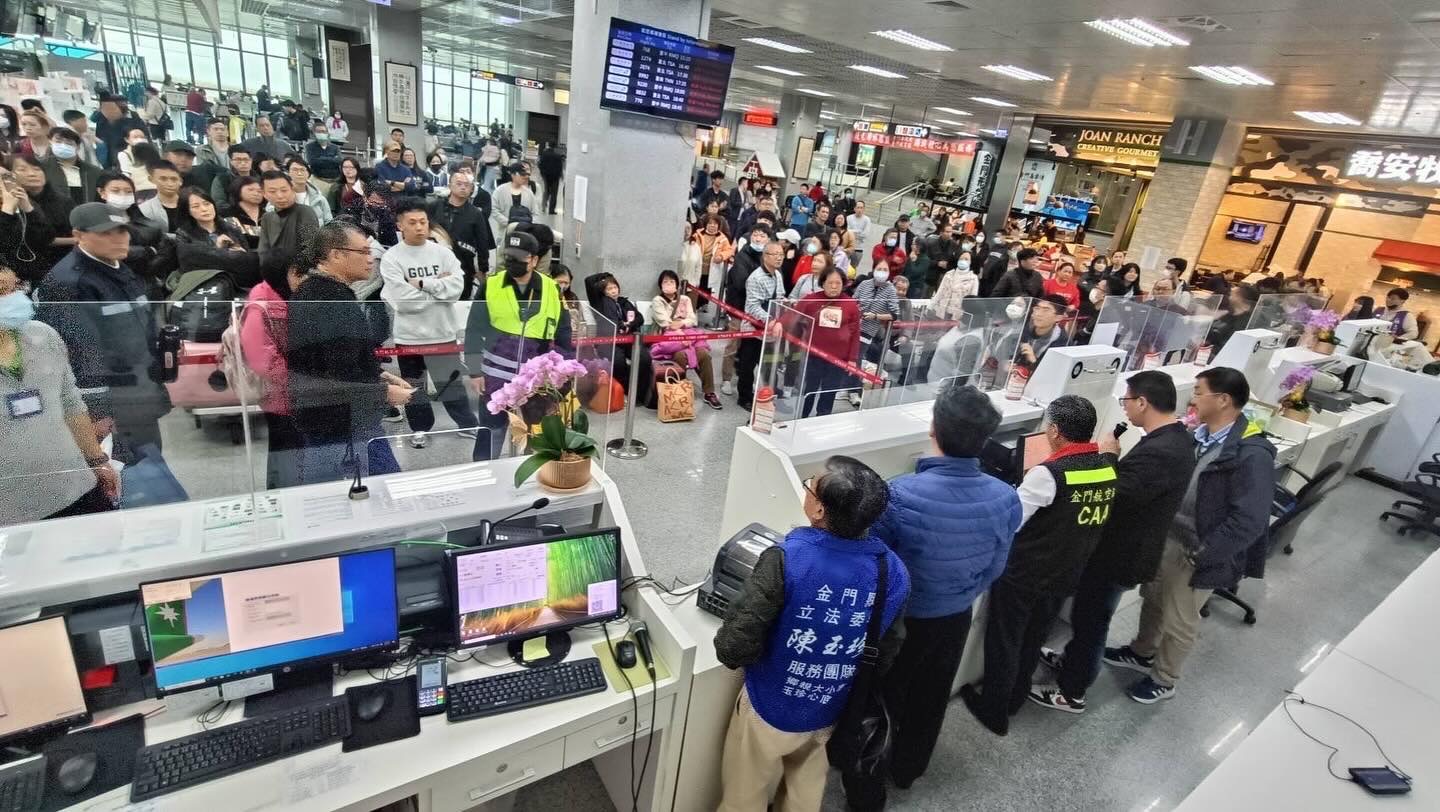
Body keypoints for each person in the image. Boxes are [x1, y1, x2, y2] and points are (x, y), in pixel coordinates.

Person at [714, 455, 910, 812]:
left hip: (770, 707)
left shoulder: (789, 557)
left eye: (810, 485)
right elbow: (889, 648)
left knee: (745, 796)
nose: (806, 488)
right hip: (832, 710)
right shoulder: (892, 570)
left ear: (819, 510)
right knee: (805, 797)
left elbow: (732, 647)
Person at [862, 382, 1020, 802]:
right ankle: (909, 769)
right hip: (955, 617)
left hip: (902, 622)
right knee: (932, 697)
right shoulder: (1006, 498)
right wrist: (962, 592)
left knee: (882, 699)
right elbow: (996, 565)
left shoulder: (898, 493)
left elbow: (873, 565)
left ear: (933, 428)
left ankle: (869, 784)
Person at [1031, 372, 1197, 713]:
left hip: (1121, 554)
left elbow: (1118, 494)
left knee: (1092, 620)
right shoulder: (1174, 439)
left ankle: (1072, 691)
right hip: (1131, 548)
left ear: (1142, 402)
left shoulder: (1162, 450)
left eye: (1126, 401)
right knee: (1089, 617)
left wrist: (1108, 457)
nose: (1124, 409)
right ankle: (1072, 662)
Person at [1114, 367, 1276, 704]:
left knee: (1180, 619)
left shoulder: (1251, 454)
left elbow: (1250, 519)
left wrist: (1205, 554)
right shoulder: (1198, 437)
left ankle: (1164, 678)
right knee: (1155, 598)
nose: (1193, 398)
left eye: (1200, 392)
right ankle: (1142, 651)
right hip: (1169, 536)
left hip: (1198, 550)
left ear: (1223, 399)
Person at [961, 395, 1115, 736]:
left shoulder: (1049, 473)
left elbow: (1011, 521)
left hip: (1025, 573)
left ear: (1056, 431)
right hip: (1066, 571)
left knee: (1005, 639)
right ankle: (1015, 697)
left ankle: (994, 710)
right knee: (1033, 638)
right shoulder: (1105, 464)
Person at [35, 203, 172, 463]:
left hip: (140, 391)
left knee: (151, 467)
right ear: (79, 235)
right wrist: (97, 413)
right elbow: (78, 355)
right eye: (106, 233)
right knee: (124, 475)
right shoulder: (68, 283)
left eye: (122, 231)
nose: (119, 239)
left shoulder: (121, 267)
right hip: (112, 405)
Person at [286, 220, 411, 482]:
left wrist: (380, 375)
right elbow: (336, 372)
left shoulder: (319, 292)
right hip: (340, 419)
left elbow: (341, 355)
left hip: (336, 413)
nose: (371, 259)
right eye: (364, 252)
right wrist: (384, 392)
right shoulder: (330, 300)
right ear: (336, 255)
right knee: (383, 488)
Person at [0, 265, 120, 521]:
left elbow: (70, 403)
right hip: (10, 508)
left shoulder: (42, 336)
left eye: (15, 288)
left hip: (74, 487)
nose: (13, 300)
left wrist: (96, 460)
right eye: (2, 292)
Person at [381, 198, 480, 448]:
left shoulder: (442, 252)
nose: (419, 227)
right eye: (412, 222)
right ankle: (420, 428)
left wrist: (425, 284)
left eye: (423, 221)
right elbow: (403, 301)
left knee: (451, 382)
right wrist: (439, 290)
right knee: (414, 387)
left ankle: (467, 425)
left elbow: (457, 288)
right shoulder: (392, 258)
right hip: (409, 336)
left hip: (442, 332)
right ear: (400, 225)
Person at [464, 231, 569, 460]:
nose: (512, 261)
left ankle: (534, 480)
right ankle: (484, 477)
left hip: (537, 380)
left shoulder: (552, 289)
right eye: (508, 256)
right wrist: (473, 371)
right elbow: (473, 329)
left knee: (537, 434)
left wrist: (560, 372)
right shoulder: (490, 285)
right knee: (491, 431)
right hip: (494, 376)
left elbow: (563, 333)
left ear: (533, 260)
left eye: (519, 257)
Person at [790, 265, 859, 418]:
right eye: (830, 283)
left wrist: (852, 360)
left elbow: (855, 334)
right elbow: (792, 316)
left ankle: (822, 418)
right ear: (823, 283)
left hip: (838, 359)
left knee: (829, 392)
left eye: (838, 283)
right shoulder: (812, 299)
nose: (834, 287)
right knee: (810, 389)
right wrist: (778, 323)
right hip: (815, 355)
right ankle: (803, 417)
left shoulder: (851, 304)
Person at [651, 269, 721, 409]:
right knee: (680, 356)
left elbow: (692, 319)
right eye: (665, 282)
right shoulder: (658, 300)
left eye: (672, 281)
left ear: (677, 284)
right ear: (661, 285)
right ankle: (678, 393)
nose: (669, 284)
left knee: (704, 355)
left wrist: (682, 324)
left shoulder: (685, 299)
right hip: (670, 336)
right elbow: (664, 321)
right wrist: (678, 331)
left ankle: (709, 392)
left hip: (689, 333)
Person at [1, 155, 75, 284]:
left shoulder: (28, 202)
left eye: (37, 169)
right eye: (22, 169)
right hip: (9, 277)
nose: (31, 174)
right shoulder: (7, 205)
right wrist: (7, 208)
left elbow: (46, 237)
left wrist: (28, 208)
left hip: (42, 271)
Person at [721, 223, 771, 397]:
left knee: (751, 347)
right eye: (755, 234)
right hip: (739, 308)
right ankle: (726, 378)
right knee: (733, 344)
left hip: (758, 312)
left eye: (762, 236)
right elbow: (742, 283)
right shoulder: (742, 256)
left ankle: (745, 377)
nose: (758, 238)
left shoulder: (768, 258)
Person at [736, 240, 786, 411]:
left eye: (781, 254)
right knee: (747, 365)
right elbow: (752, 307)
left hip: (772, 330)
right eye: (775, 254)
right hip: (753, 329)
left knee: (768, 364)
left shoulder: (778, 275)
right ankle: (744, 397)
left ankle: (768, 394)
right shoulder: (756, 278)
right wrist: (771, 320)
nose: (779, 258)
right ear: (765, 256)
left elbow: (779, 298)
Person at [427, 171, 492, 299]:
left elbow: (482, 242)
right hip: (433, 264)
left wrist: (483, 268)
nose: (463, 187)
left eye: (467, 185)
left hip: (463, 266)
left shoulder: (476, 214)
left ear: (472, 190)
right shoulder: (434, 206)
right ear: (450, 185)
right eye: (459, 184)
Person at [172, 186, 258, 283]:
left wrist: (241, 253)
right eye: (196, 206)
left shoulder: (231, 228)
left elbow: (247, 258)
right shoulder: (183, 234)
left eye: (207, 204)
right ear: (187, 212)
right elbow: (191, 263)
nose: (204, 209)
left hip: (238, 280)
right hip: (207, 281)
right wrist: (218, 249)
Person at [258, 169, 320, 259]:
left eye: (284, 190)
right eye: (272, 191)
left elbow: (310, 248)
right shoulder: (267, 218)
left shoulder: (305, 212)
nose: (280, 196)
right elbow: (263, 251)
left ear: (292, 189)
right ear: (264, 194)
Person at [853, 263, 900, 372]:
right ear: (874, 269)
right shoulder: (864, 284)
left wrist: (876, 316)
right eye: (879, 269)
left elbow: (894, 315)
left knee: (857, 357)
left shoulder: (890, 289)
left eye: (885, 269)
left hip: (869, 329)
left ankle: (855, 386)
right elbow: (853, 301)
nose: (882, 271)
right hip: (854, 325)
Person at [42, 127, 103, 206]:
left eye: (68, 143)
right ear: (50, 142)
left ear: (77, 147)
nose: (63, 145)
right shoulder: (42, 168)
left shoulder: (94, 171)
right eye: (58, 141)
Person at [1016, 294, 1071, 370]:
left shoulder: (1062, 342)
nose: (1038, 314)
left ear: (1058, 317)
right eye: (1037, 308)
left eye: (1046, 310)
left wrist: (1033, 360)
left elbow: (1053, 371)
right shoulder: (1024, 328)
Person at [491, 163, 539, 246]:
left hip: (525, 234)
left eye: (526, 174)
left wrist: (528, 225)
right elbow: (494, 209)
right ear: (513, 175)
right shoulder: (500, 191)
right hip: (504, 233)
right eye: (521, 174)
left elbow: (535, 213)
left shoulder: (529, 193)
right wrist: (509, 222)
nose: (525, 177)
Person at [1206, 283, 1259, 352]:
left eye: (1231, 295)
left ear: (1239, 298)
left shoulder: (1245, 322)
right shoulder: (1229, 314)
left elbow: (1227, 345)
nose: (1229, 297)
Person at [138, 159, 185, 233]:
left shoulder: (191, 205)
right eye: (163, 179)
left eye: (174, 179)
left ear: (180, 181)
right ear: (151, 179)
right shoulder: (144, 209)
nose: (169, 184)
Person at [931, 250, 978, 322]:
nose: (963, 261)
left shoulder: (973, 278)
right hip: (943, 311)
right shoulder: (949, 274)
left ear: (971, 262)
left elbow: (972, 300)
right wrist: (932, 305)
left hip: (958, 315)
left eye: (966, 259)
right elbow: (940, 292)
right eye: (961, 259)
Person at [223, 175, 266, 250]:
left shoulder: (270, 214)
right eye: (250, 190)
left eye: (260, 191)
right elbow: (239, 239)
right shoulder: (228, 213)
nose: (256, 193)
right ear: (237, 190)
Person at [285, 157, 332, 225]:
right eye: (295, 170)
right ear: (288, 173)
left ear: (308, 174)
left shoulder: (319, 199)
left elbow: (329, 222)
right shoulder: (280, 196)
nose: (299, 173)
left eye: (302, 170)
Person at [117, 129, 159, 198]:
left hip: (155, 188)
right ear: (127, 139)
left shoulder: (152, 152)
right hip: (138, 190)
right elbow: (126, 173)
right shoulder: (124, 154)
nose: (139, 139)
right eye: (135, 137)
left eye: (142, 137)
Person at [327, 157, 367, 221]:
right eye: (345, 167)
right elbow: (330, 208)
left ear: (357, 169)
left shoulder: (364, 186)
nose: (348, 170)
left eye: (351, 167)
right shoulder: (335, 187)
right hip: (341, 221)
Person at [537, 143, 564, 214]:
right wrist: (561, 175)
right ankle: (551, 210)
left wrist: (542, 173)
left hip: (546, 176)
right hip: (555, 177)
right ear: (555, 147)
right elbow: (560, 167)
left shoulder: (544, 154)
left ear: (548, 145)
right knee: (554, 193)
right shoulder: (558, 156)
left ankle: (543, 206)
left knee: (546, 191)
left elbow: (540, 164)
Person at [846, 200, 871, 269]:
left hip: (859, 248)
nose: (859, 209)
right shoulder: (849, 218)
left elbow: (865, 235)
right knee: (843, 266)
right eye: (858, 207)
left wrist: (852, 233)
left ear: (864, 209)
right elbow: (847, 232)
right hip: (848, 246)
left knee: (853, 269)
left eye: (861, 208)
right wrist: (859, 231)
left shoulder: (867, 220)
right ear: (854, 208)